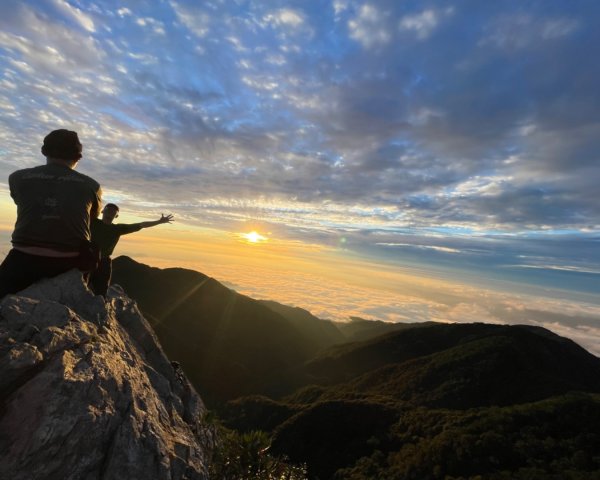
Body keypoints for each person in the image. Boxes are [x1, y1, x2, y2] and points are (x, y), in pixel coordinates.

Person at [0, 129, 102, 298]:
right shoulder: (92, 185)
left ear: (44, 151)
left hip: (21, 259)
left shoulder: (17, 177)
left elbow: (24, 203)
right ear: (78, 157)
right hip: (69, 263)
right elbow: (92, 217)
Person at [89, 203, 173, 296]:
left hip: (104, 263)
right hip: (87, 257)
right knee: (81, 284)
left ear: (116, 216)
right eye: (108, 210)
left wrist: (158, 222)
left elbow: (141, 225)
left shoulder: (117, 229)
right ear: (102, 211)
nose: (110, 213)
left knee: (101, 292)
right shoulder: (92, 222)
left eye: (113, 212)